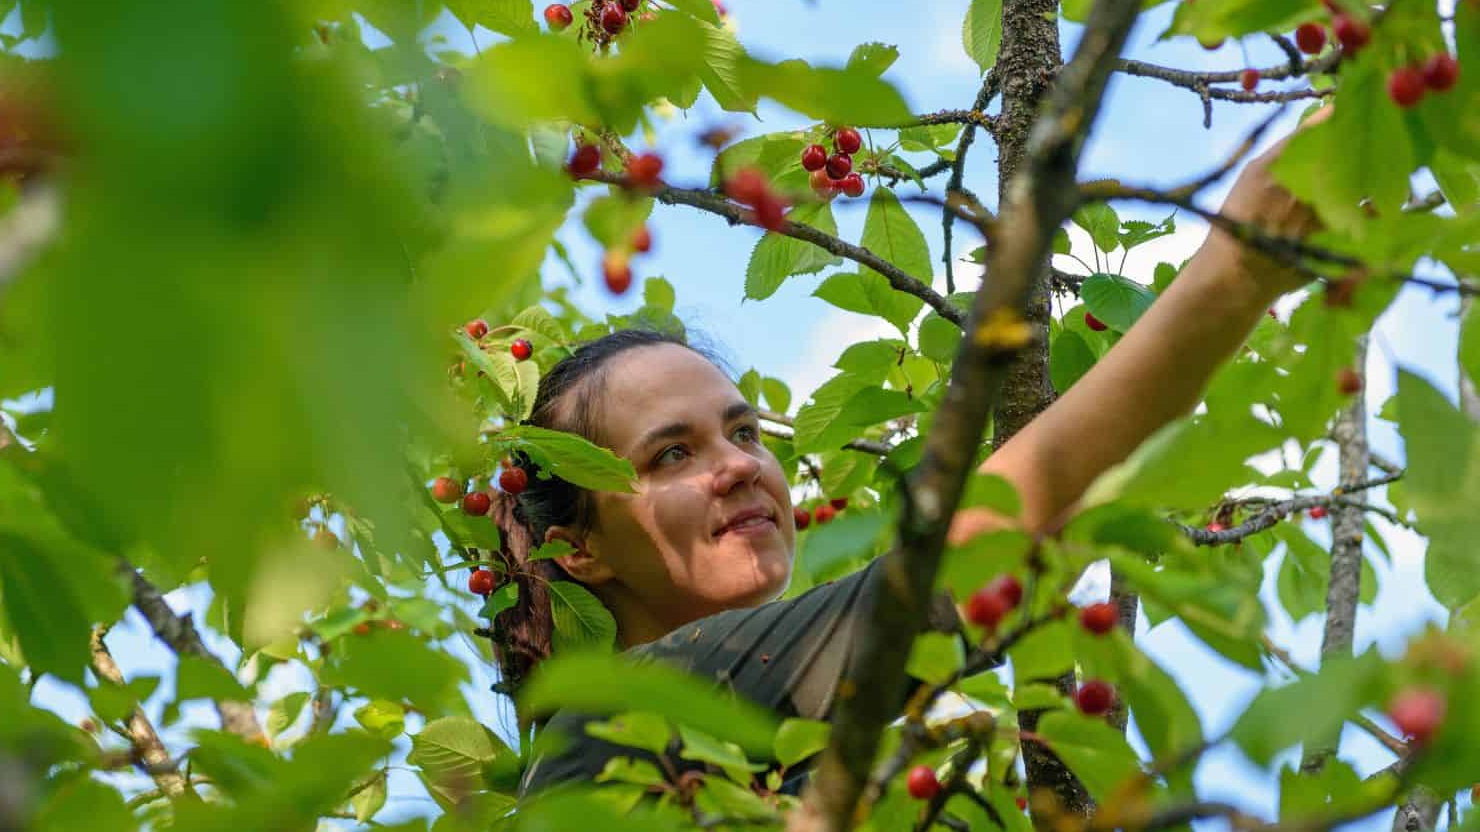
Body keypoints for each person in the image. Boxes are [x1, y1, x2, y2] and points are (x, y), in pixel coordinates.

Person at [483, 109, 1331, 798]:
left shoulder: (815, 765)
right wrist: (1237, 270)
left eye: (742, 432)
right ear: (577, 546)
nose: (739, 465)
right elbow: (960, 564)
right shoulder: (608, 724)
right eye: (670, 454)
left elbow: (1028, 544)